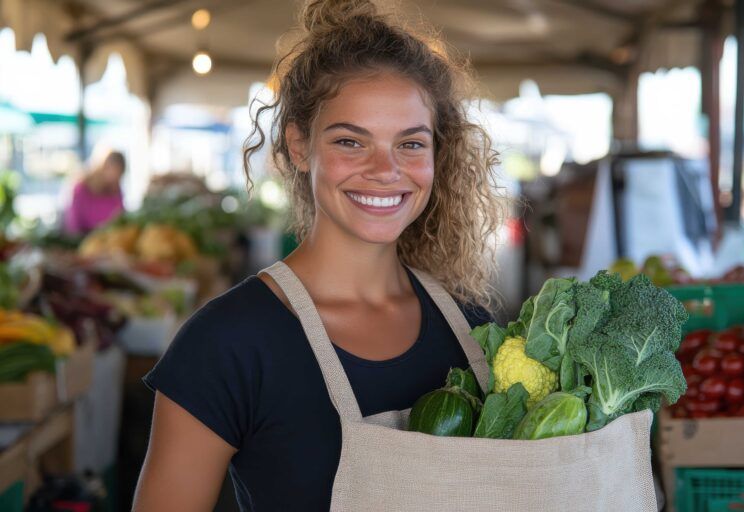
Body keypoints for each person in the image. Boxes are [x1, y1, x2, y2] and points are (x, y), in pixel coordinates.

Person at [133, 0, 503, 510]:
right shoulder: (226, 345)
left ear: (439, 153)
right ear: (300, 146)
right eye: (351, 141)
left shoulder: (475, 334)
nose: (385, 170)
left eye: (411, 144)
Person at [63, 150, 125, 235]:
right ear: (102, 167)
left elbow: (120, 217)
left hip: (107, 240)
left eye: (118, 174)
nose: (113, 178)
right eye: (112, 170)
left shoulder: (116, 190)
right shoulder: (81, 188)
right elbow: (73, 224)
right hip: (83, 240)